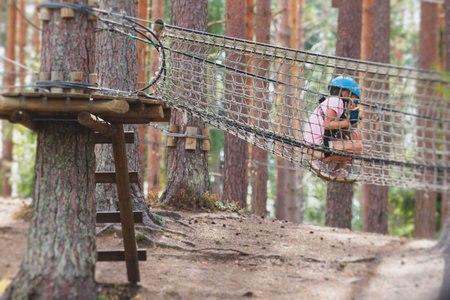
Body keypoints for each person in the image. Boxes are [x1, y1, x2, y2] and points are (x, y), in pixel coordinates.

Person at [304, 76, 363, 179]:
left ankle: (336, 171)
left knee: (356, 137)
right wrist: (348, 122)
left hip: (318, 147)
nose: (353, 105)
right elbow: (328, 124)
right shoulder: (337, 101)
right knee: (358, 147)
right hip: (315, 147)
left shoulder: (333, 103)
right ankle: (317, 162)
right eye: (353, 101)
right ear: (345, 94)